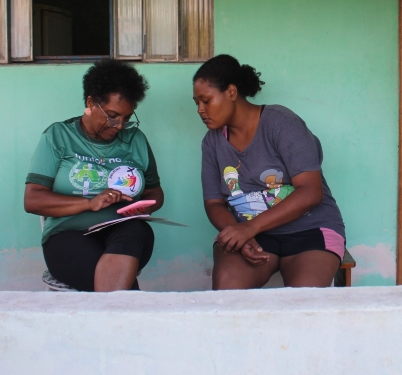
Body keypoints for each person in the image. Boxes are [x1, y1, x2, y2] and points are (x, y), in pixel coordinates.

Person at [193, 54, 346, 289]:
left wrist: (249, 227)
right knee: (228, 291)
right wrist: (237, 233)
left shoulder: (281, 123)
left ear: (231, 92)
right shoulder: (212, 142)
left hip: (309, 230)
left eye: (206, 100)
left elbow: (311, 191)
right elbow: (214, 203)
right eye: (197, 103)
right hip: (251, 235)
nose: (200, 110)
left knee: (305, 298)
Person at [24, 59, 164, 291]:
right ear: (91, 103)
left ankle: (117, 309)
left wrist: (140, 208)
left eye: (127, 118)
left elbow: (155, 193)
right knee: (113, 277)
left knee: (134, 232)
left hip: (124, 232)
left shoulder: (136, 140)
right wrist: (89, 203)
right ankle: (126, 308)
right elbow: (33, 200)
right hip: (67, 233)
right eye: (113, 115)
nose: (119, 126)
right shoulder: (58, 136)